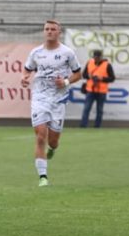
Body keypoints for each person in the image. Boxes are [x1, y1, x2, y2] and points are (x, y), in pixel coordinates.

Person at [20, 20, 82, 186]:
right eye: (47, 29)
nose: (49, 32)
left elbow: (78, 74)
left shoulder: (67, 53)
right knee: (41, 135)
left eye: (53, 29)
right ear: (43, 31)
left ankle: (52, 149)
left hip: (58, 100)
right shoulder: (36, 52)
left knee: (53, 141)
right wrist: (25, 77)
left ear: (58, 32)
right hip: (39, 98)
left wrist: (66, 82)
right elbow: (27, 69)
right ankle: (43, 177)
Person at [80, 48, 115, 128]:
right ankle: (83, 125)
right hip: (90, 90)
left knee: (99, 110)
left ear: (101, 57)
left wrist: (102, 78)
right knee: (86, 108)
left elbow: (112, 78)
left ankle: (97, 126)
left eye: (98, 57)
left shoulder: (107, 65)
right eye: (95, 57)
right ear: (93, 57)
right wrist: (89, 76)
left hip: (101, 91)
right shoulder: (89, 62)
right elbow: (84, 75)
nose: (96, 58)